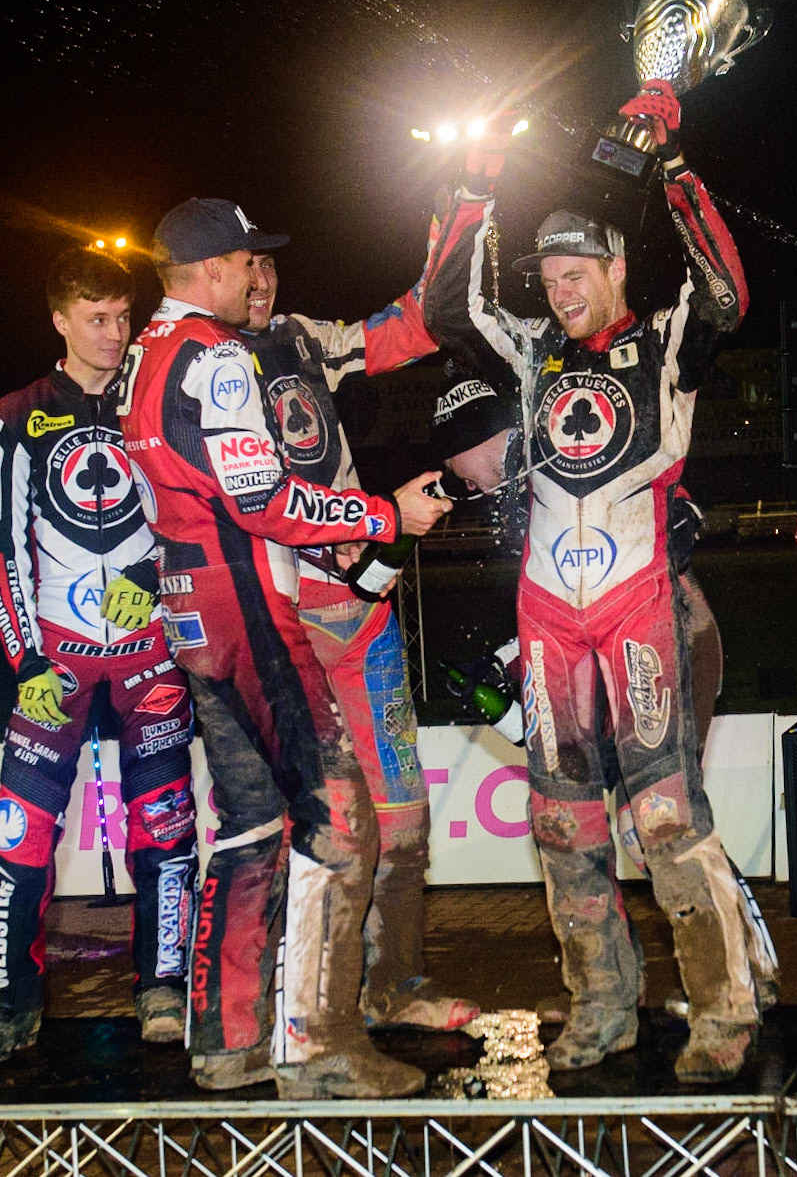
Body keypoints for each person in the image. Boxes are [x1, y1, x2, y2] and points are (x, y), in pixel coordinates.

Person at [440, 81, 765, 1083]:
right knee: (562, 822)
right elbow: (448, 306)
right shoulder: (535, 350)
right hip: (548, 620)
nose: (563, 283)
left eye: (579, 266)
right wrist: (474, 184)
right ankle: (603, 1002)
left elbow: (727, 297)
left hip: (638, 607)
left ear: (617, 265)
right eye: (551, 270)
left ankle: (722, 1005)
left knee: (666, 814)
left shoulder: (667, 338)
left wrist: (673, 171)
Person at [120, 198, 452, 1099]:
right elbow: (264, 502)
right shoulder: (215, 356)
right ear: (214, 269)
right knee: (342, 819)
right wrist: (385, 514)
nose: (255, 276)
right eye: (246, 260)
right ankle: (320, 1039)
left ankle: (226, 1040)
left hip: (191, 622)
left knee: (254, 826)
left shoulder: (140, 357)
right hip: (253, 617)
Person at [238, 142, 500, 1035]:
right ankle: (290, 999)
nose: (261, 285)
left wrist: (463, 198)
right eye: (243, 271)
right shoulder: (193, 372)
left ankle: (396, 985)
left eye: (268, 269)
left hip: (361, 607)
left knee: (403, 805)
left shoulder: (306, 340)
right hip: (275, 620)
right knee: (303, 818)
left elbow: (423, 318)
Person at [0, 249, 197, 1065]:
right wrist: (26, 659)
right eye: (96, 318)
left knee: (164, 826)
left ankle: (164, 985)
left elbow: (188, 515)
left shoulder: (153, 399)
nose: (113, 333)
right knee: (19, 833)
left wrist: (152, 582)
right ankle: (6, 1004)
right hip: (54, 659)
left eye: (124, 317)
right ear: (60, 319)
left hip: (148, 653)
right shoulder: (16, 414)